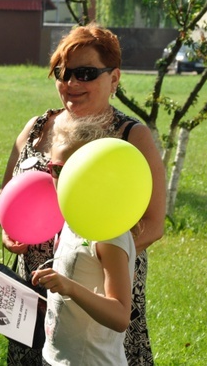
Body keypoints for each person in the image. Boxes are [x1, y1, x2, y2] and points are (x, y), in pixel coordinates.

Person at [0, 24, 166, 366]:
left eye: (85, 73)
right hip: (35, 291)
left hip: (96, 297)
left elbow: (154, 223)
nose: (71, 84)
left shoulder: (131, 137)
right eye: (63, 72)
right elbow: (5, 194)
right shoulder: (37, 127)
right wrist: (6, 226)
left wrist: (92, 260)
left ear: (114, 78)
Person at [32, 113, 136, 365]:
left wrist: (68, 287)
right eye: (56, 169)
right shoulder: (72, 218)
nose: (63, 178)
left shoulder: (109, 232)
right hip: (56, 357)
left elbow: (120, 316)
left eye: (72, 169)